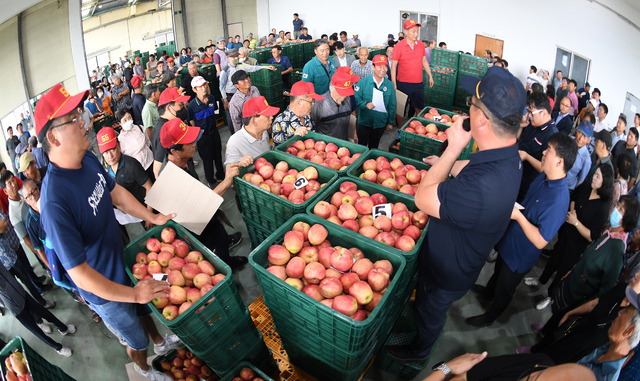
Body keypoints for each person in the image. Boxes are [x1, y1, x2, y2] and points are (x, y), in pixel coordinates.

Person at [34, 83, 183, 380]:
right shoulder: (55, 202)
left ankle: (160, 342)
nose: (84, 122)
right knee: (134, 339)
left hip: (123, 260)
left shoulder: (86, 159)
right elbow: (79, 274)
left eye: (80, 114)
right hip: (105, 291)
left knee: (146, 309)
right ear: (52, 136)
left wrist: (151, 216)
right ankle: (144, 369)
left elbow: (116, 193)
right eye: (74, 119)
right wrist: (131, 293)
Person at [385, 66, 526, 361]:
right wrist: (446, 164)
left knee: (429, 310)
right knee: (427, 303)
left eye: (471, 105)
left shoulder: (483, 189)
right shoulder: (507, 155)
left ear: (482, 120)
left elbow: (424, 199)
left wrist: (452, 149)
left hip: (446, 271)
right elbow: (471, 169)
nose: (467, 110)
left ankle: (419, 352)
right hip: (464, 254)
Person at [465, 133, 576, 327]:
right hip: (510, 239)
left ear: (559, 161)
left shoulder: (558, 201)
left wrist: (518, 216)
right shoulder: (546, 175)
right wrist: (524, 155)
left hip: (520, 255)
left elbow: (542, 240)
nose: (543, 153)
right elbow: (539, 167)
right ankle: (488, 291)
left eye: (548, 150)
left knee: (505, 287)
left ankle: (490, 316)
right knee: (497, 270)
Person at [526, 163, 614, 310]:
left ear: (605, 182)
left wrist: (576, 222)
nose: (594, 177)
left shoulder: (603, 207)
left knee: (562, 271)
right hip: (565, 234)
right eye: (595, 173)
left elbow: (592, 236)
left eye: (598, 176)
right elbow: (573, 198)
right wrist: (573, 211)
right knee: (553, 260)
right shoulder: (587, 187)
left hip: (576, 245)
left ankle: (550, 297)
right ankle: (541, 280)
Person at [159, 118, 244, 262]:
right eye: (189, 142)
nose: (194, 144)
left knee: (219, 231)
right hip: (196, 224)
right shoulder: (171, 179)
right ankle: (225, 262)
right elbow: (202, 204)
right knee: (211, 251)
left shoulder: (184, 158)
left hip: (206, 217)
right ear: (174, 151)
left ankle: (225, 248)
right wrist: (226, 181)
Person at [0, 263, 75, 357]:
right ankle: (58, 348)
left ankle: (63, 328)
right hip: (16, 308)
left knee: (45, 313)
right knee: (37, 331)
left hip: (22, 294)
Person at [517, 92, 558, 201]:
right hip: (516, 176)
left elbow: (546, 169)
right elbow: (519, 140)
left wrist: (526, 157)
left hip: (527, 187)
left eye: (531, 112)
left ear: (543, 113)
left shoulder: (552, 135)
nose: (529, 115)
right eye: (528, 111)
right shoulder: (532, 124)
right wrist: (521, 126)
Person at [391, 19, 434, 116]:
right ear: (406, 31)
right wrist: (394, 83)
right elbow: (393, 67)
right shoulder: (399, 46)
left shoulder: (420, 45)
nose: (416, 34)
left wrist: (430, 75)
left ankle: (416, 126)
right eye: (413, 31)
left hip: (418, 83)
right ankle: (400, 128)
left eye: (417, 31)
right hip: (403, 83)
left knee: (419, 107)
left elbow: (424, 61)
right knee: (401, 109)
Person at [187, 76, 224, 188]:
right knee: (207, 160)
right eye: (200, 86)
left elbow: (216, 112)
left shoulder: (213, 99)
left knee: (218, 156)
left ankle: (221, 175)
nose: (204, 88)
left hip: (215, 133)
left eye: (205, 85)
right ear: (194, 89)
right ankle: (211, 181)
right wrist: (199, 133)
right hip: (203, 137)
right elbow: (192, 121)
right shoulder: (192, 106)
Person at [354, 55, 396, 149]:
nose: (383, 69)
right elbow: (356, 99)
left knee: (374, 145)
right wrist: (365, 104)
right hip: (364, 122)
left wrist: (390, 122)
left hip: (380, 123)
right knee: (361, 146)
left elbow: (392, 105)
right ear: (373, 67)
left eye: (385, 66)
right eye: (380, 66)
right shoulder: (363, 82)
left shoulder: (389, 85)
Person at [225, 96, 278, 166]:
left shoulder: (263, 132)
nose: (271, 117)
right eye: (267, 116)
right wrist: (239, 164)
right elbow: (230, 170)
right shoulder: (235, 142)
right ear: (253, 121)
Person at [151, 87, 190, 180]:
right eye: (180, 105)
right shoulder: (164, 132)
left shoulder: (169, 125)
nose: (183, 109)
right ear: (169, 108)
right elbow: (157, 170)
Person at [310, 67, 359, 141]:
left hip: (344, 143)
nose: (344, 96)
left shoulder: (348, 99)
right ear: (331, 88)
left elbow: (352, 116)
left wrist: (354, 133)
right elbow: (311, 129)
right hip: (326, 146)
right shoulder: (319, 105)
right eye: (341, 93)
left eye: (346, 92)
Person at [115, 109, 154, 179]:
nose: (128, 121)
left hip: (150, 160)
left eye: (129, 117)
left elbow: (147, 142)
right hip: (139, 169)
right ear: (119, 123)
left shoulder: (139, 128)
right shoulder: (120, 140)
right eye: (125, 120)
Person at [563, 121, 593, 191]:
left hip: (567, 188)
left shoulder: (586, 159)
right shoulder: (567, 140)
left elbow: (580, 180)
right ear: (576, 131)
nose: (580, 139)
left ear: (589, 140)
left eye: (584, 137)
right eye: (580, 133)